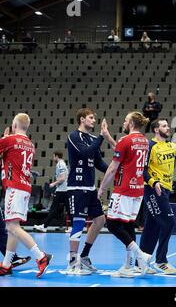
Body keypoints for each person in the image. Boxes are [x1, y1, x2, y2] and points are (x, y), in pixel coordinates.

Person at [140, 118, 176, 274]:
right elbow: (143, 170)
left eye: (167, 125)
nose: (168, 128)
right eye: (164, 126)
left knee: (151, 226)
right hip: (153, 189)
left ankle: (141, 261)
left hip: (165, 190)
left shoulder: (170, 146)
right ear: (155, 129)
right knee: (169, 222)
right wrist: (153, 182)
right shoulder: (150, 146)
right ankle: (161, 260)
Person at [97, 112, 152, 278]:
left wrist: (101, 188)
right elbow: (126, 153)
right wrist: (107, 136)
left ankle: (140, 255)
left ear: (132, 123)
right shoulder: (144, 141)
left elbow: (113, 167)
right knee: (128, 225)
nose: (124, 121)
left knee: (113, 225)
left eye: (126, 120)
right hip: (138, 189)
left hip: (124, 189)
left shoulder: (125, 140)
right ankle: (129, 266)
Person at [0, 114, 52, 277]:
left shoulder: (10, 140)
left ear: (14, 124)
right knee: (11, 229)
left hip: (14, 187)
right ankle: (6, 265)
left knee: (13, 227)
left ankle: (41, 256)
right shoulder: (30, 144)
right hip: (25, 187)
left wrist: (4, 137)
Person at [66, 108, 111, 275]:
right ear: (82, 119)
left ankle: (84, 256)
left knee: (100, 220)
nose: (94, 120)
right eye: (91, 118)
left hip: (90, 188)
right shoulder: (73, 136)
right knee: (78, 223)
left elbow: (98, 163)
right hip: (77, 187)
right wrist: (102, 136)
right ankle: (72, 262)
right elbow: (85, 154)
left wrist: (115, 170)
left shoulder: (92, 139)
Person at [34, 151, 68, 232]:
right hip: (64, 190)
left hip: (62, 190)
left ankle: (44, 227)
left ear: (56, 156)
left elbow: (63, 178)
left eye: (53, 156)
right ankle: (68, 227)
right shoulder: (61, 164)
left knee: (53, 208)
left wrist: (54, 184)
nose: (53, 158)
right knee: (66, 209)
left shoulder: (61, 164)